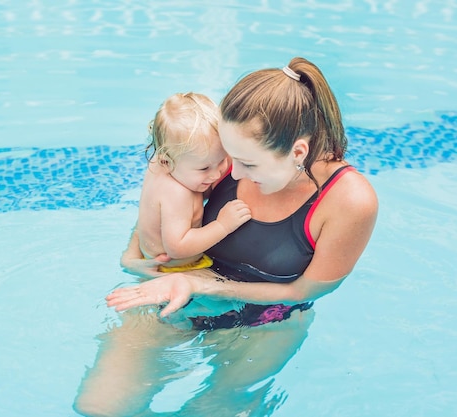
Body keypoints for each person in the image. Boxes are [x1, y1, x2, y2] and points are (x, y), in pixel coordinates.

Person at [74, 57, 378, 417]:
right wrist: (134, 253)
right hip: (180, 300)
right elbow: (162, 199)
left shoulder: (349, 201)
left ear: (298, 152)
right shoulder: (224, 152)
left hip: (265, 323)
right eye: (228, 157)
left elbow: (306, 291)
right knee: (98, 408)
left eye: (248, 164)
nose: (230, 173)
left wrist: (202, 286)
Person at [135, 92, 251, 275]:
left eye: (221, 160)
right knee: (225, 303)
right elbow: (177, 247)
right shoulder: (177, 193)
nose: (216, 174)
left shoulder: (164, 162)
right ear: (168, 161)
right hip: (176, 269)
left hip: (149, 259)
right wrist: (222, 225)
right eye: (204, 169)